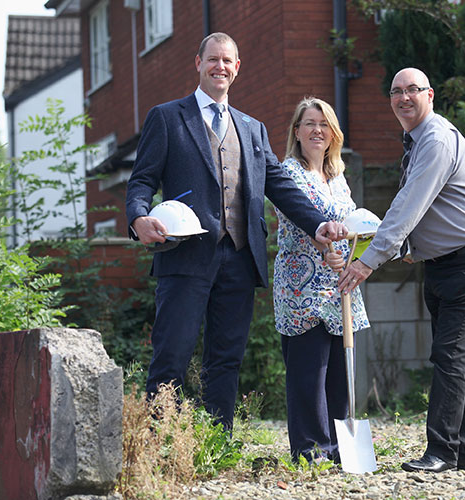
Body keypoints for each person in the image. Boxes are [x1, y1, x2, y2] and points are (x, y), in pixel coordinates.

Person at [125, 33, 345, 430]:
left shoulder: (252, 128)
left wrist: (318, 223)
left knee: (225, 360)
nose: (220, 67)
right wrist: (138, 217)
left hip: (239, 261)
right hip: (185, 258)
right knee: (171, 355)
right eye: (213, 60)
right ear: (198, 63)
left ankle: (217, 444)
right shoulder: (168, 117)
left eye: (228, 61)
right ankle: (159, 448)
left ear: (237, 68)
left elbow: (279, 186)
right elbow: (141, 180)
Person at [338, 68, 465, 473]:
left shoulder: (436, 139)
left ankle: (441, 452)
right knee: (463, 360)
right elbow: (425, 208)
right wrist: (410, 248)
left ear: (430, 94)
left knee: (450, 356)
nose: (404, 98)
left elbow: (409, 204)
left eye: (413, 90)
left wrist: (367, 262)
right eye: (396, 92)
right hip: (445, 264)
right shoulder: (416, 141)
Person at [273, 97, 369, 463]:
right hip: (302, 286)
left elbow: (352, 225)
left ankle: (340, 448)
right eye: (309, 123)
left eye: (324, 124)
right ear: (296, 132)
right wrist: (323, 243)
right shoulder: (287, 173)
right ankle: (312, 450)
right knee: (309, 373)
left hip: (340, 284)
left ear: (333, 134)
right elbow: (300, 217)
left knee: (340, 373)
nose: (317, 130)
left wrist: (353, 254)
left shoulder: (337, 177)